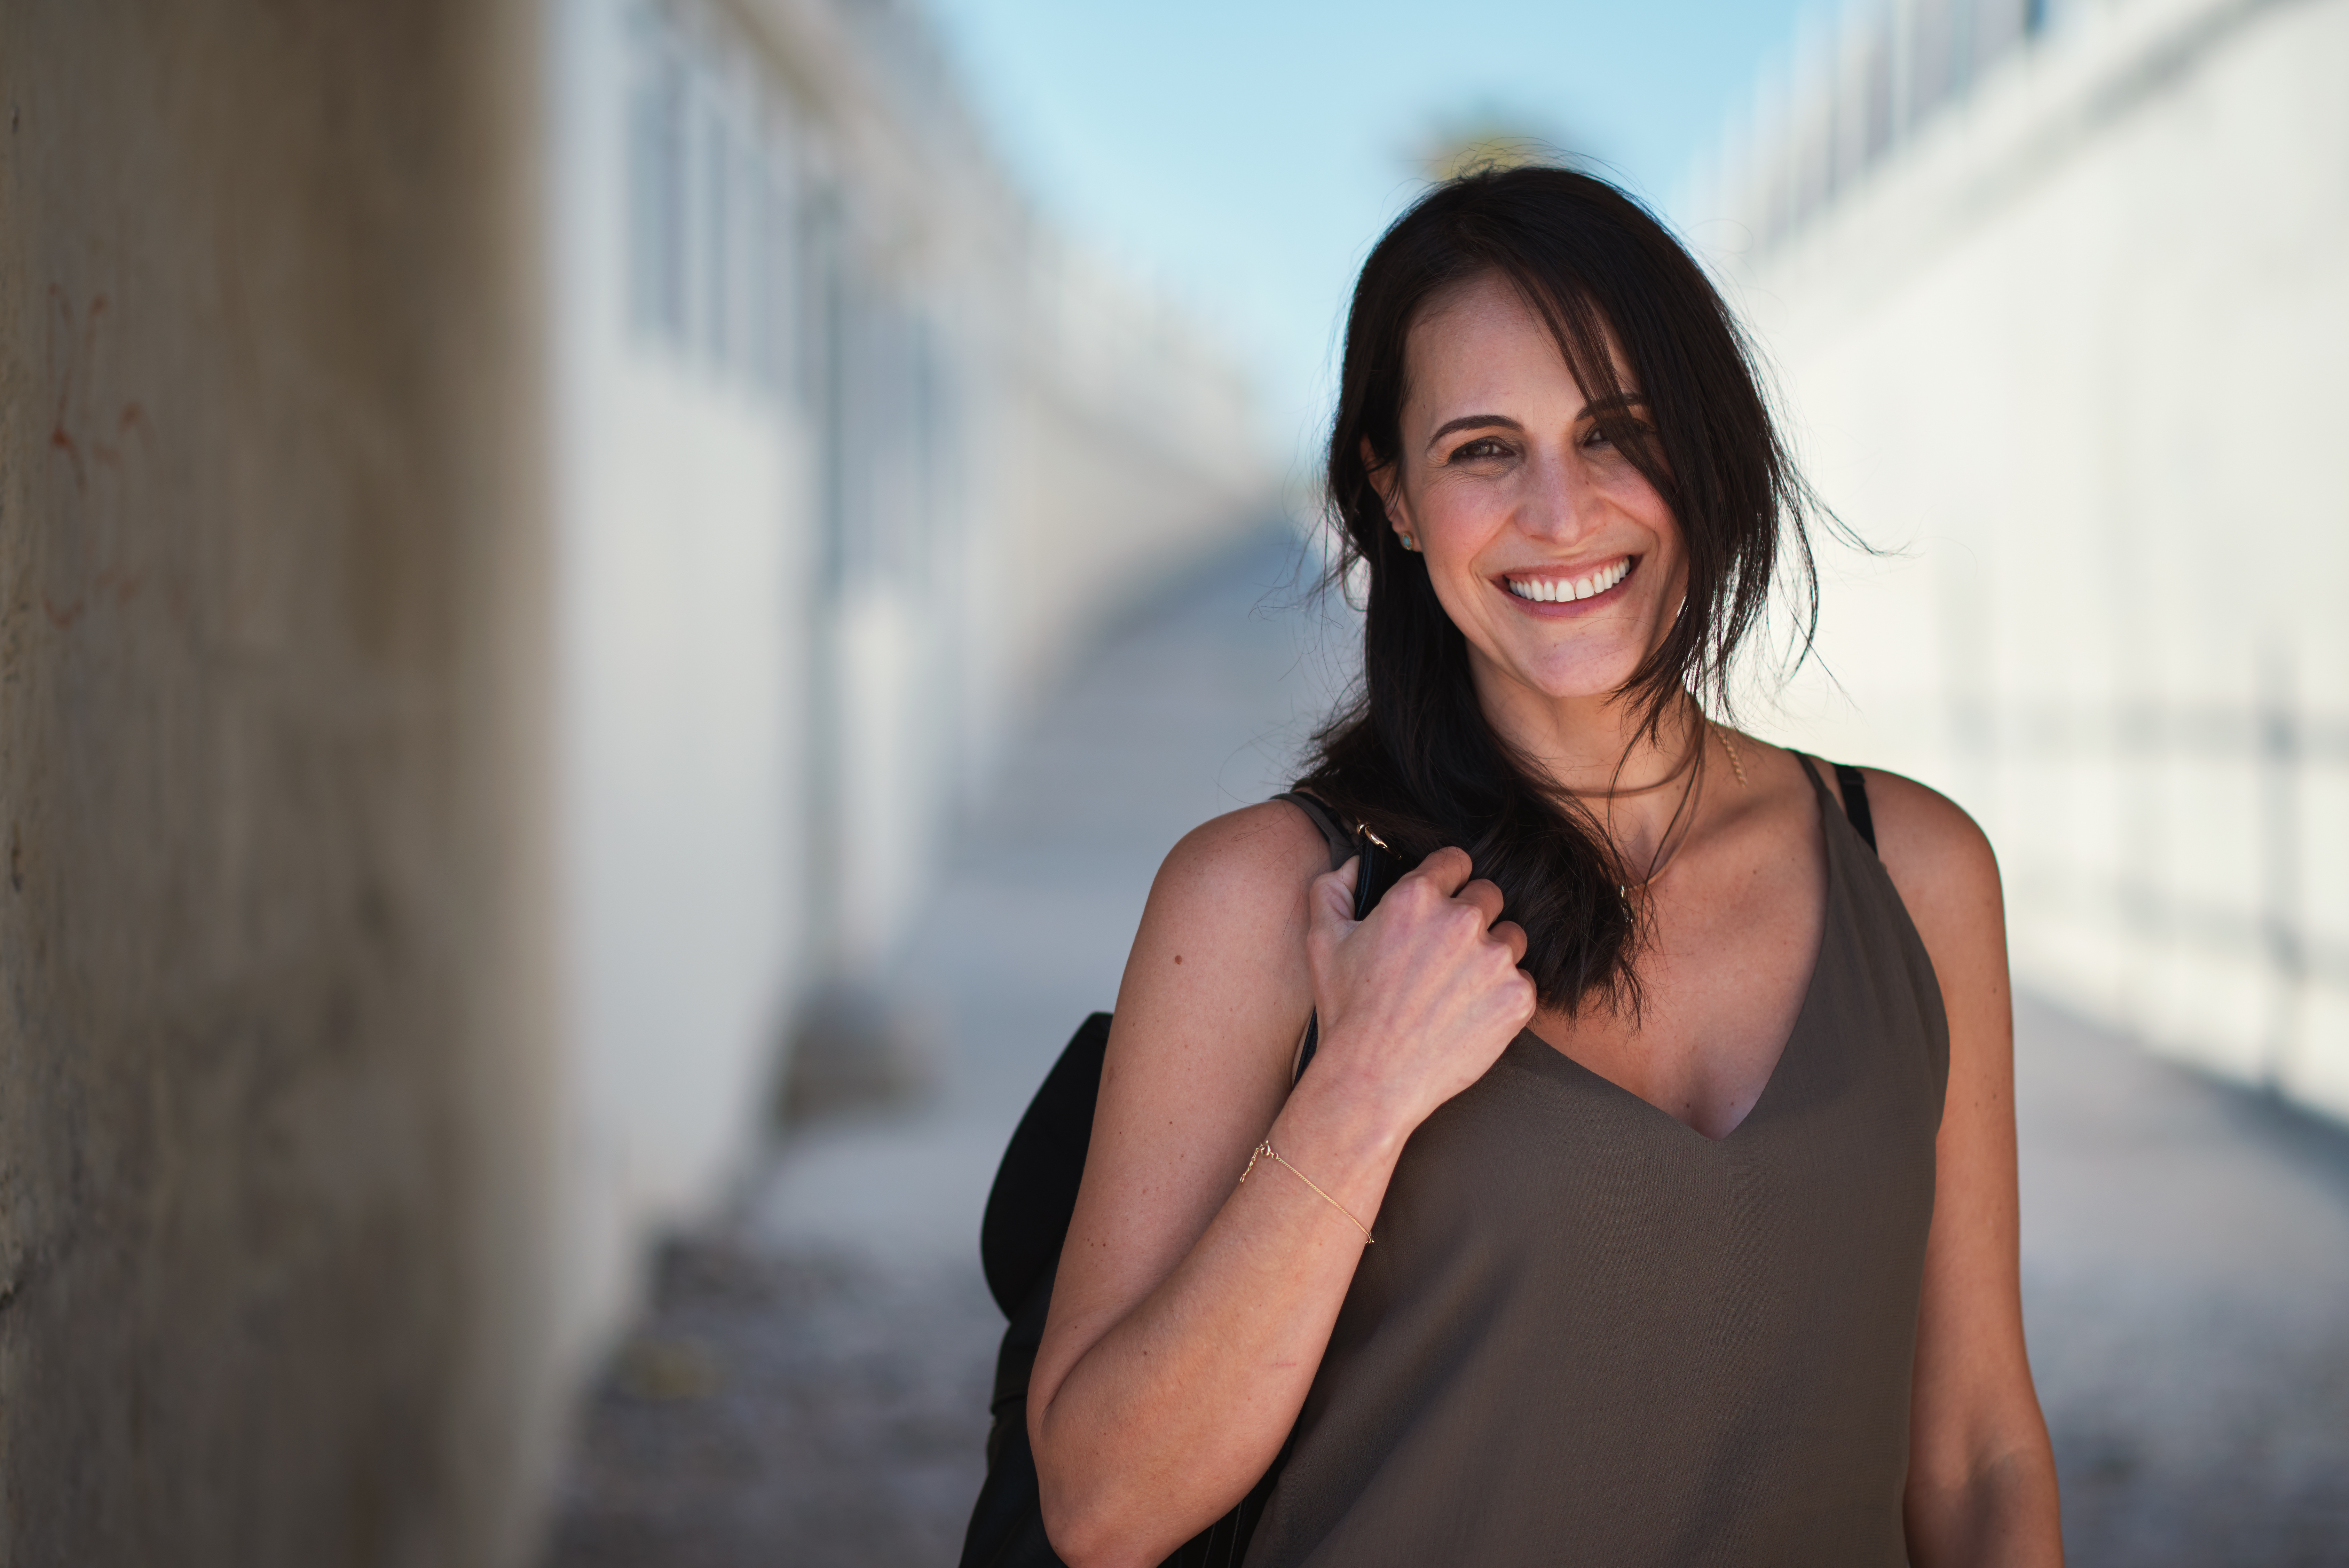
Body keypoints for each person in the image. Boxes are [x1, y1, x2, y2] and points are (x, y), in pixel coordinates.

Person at [1024, 166, 2062, 1567]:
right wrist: (1360, 1089)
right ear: (1390, 495)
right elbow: (1102, 1506)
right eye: (1483, 449)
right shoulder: (1265, 899)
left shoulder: (1915, 870)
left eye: (1616, 430)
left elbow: (1977, 1449)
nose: (1562, 511)